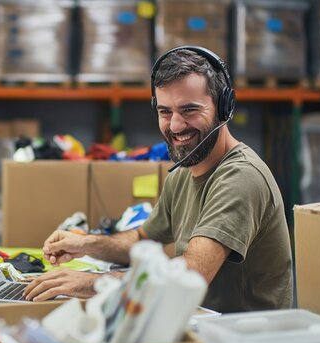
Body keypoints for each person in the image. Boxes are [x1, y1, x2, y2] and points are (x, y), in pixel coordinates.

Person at [23, 46, 293, 313]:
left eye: (189, 110)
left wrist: (91, 284)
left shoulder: (240, 178)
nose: (175, 126)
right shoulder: (186, 170)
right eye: (165, 112)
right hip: (196, 321)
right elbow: (143, 240)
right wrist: (86, 244)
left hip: (241, 339)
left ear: (225, 107)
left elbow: (190, 276)